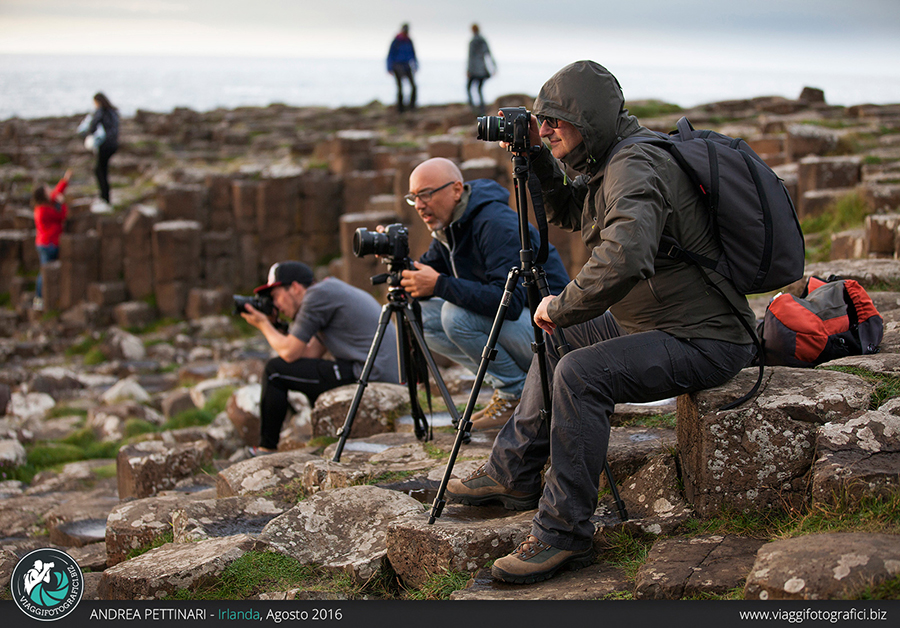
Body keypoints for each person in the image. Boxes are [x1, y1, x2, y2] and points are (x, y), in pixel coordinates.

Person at [447, 61, 756, 584]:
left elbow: (626, 255)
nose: (544, 130)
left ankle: (563, 535)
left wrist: (562, 303)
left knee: (580, 373)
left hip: (703, 337)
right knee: (557, 340)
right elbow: (572, 211)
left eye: (555, 123)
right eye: (541, 121)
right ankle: (514, 475)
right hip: (655, 321)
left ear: (587, 119)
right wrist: (541, 161)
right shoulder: (610, 156)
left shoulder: (635, 165)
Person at [399, 157, 569, 431]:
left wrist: (440, 285)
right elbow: (424, 275)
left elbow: (510, 304)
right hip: (526, 331)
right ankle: (512, 387)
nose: (419, 205)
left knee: (455, 316)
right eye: (413, 197)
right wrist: (395, 259)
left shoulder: (495, 224)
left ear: (456, 189)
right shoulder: (450, 227)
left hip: (555, 334)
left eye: (426, 194)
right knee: (421, 316)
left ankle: (515, 394)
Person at [241, 261, 400, 454]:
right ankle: (324, 435)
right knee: (307, 370)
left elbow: (290, 352)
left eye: (276, 296)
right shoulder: (327, 291)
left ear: (294, 287)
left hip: (372, 375)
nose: (275, 305)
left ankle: (266, 448)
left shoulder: (316, 296)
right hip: (380, 372)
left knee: (274, 372)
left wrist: (263, 324)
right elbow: (309, 354)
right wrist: (276, 327)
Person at [32, 169, 72, 310]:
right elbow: (61, 216)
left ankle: (44, 300)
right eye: (47, 190)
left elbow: (56, 193)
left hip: (44, 243)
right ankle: (39, 300)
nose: (50, 191)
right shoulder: (44, 210)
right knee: (45, 273)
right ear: (43, 195)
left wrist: (65, 180)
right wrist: (62, 204)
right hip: (48, 244)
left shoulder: (41, 207)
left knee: (45, 271)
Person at [77, 92, 119, 204]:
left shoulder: (101, 111)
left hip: (105, 145)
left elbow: (94, 124)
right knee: (102, 170)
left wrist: (88, 134)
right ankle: (105, 197)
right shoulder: (113, 111)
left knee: (100, 171)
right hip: (113, 145)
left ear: (98, 102)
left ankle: (105, 198)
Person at [386, 23, 418, 113]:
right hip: (397, 66)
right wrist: (389, 68)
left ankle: (412, 106)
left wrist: (415, 65)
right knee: (400, 87)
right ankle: (400, 109)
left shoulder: (409, 41)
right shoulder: (396, 41)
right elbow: (390, 55)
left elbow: (413, 54)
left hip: (407, 65)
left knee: (414, 86)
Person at [466, 24, 495, 114]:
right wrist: (493, 67)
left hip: (474, 70)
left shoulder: (472, 42)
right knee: (479, 89)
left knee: (469, 87)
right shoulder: (483, 41)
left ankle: (472, 106)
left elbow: (470, 57)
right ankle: (482, 107)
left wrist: (468, 70)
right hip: (482, 70)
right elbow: (489, 54)